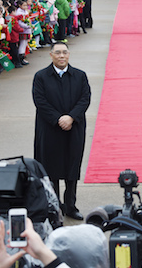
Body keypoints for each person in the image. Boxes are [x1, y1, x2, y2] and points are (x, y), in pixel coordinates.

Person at [33, 42, 91, 220]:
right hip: (50, 129)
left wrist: (71, 117)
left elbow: (85, 98)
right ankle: (54, 205)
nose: (61, 56)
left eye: (64, 52)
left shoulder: (79, 76)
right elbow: (40, 101)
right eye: (57, 53)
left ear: (69, 55)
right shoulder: (41, 76)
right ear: (51, 55)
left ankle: (71, 205)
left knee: (72, 168)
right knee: (51, 169)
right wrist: (58, 118)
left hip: (74, 128)